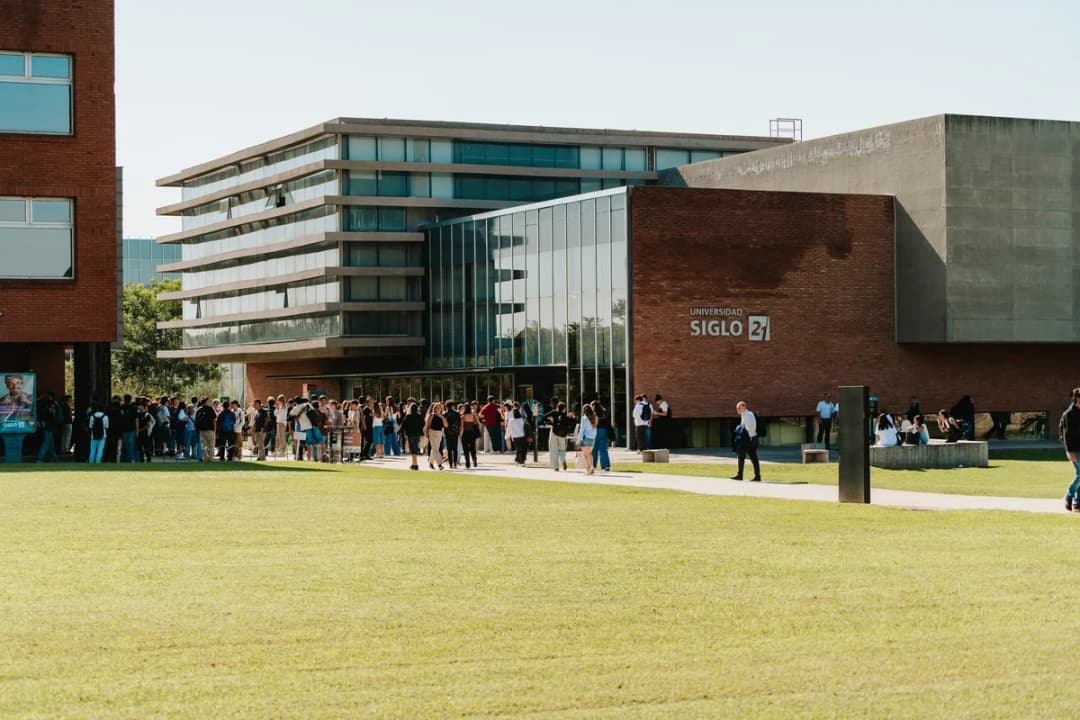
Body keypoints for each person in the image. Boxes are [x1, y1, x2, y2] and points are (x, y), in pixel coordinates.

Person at [730, 401, 761, 481]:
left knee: (741, 456)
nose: (737, 410)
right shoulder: (746, 415)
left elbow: (747, 428)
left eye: (739, 408)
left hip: (749, 439)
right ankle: (757, 476)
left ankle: (740, 475)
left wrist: (739, 428)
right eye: (737, 408)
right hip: (752, 438)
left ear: (744, 407)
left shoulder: (747, 415)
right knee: (753, 458)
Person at [1061, 388, 1080, 511]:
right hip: (1074, 449)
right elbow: (1065, 434)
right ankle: (1069, 496)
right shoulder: (1068, 414)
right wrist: (1069, 451)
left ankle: (1077, 503)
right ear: (1078, 398)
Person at [544, 402, 570, 471]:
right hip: (562, 435)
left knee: (553, 450)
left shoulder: (554, 412)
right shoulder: (566, 416)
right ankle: (563, 460)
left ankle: (556, 467)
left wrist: (551, 422)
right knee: (562, 449)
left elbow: (544, 417)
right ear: (564, 408)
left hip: (554, 432)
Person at [402, 402, 425, 471]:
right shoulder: (420, 416)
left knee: (413, 449)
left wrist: (400, 432)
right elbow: (423, 424)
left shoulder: (408, 416)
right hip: (417, 434)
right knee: (415, 448)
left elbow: (404, 425)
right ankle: (413, 463)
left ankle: (415, 464)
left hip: (410, 434)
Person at [424, 402, 446, 470]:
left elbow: (446, 425)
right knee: (436, 449)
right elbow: (428, 425)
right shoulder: (431, 415)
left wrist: (442, 417)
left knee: (434, 449)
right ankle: (439, 464)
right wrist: (426, 433)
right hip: (432, 432)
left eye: (439, 407)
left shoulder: (442, 416)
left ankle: (431, 463)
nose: (438, 409)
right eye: (436, 407)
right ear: (434, 409)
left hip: (439, 433)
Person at [591, 400, 612, 472]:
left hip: (596, 432)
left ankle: (593, 465)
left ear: (594, 406)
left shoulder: (594, 414)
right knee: (603, 450)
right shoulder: (604, 413)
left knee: (594, 450)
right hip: (604, 432)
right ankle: (606, 465)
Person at [577, 404, 597, 475]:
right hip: (592, 439)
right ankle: (591, 467)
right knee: (589, 454)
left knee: (585, 455)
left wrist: (578, 439)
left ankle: (588, 468)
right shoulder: (594, 417)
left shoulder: (584, 418)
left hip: (586, 439)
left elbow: (582, 429)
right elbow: (595, 430)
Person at [460, 401, 480, 469]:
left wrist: (460, 434)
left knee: (465, 449)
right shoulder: (473, 415)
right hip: (472, 432)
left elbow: (462, 427)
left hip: (465, 433)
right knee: (472, 448)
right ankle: (474, 461)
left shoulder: (463, 416)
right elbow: (478, 423)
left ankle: (467, 462)